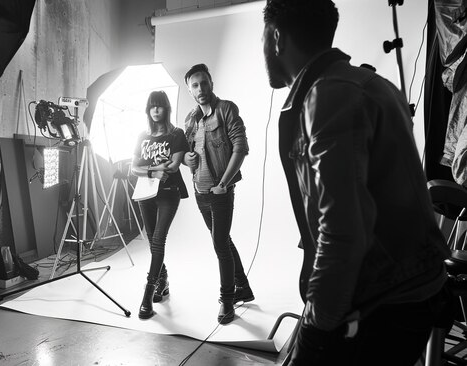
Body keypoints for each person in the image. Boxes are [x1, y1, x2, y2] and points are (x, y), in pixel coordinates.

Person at [261, 0, 452, 364]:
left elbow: (343, 231)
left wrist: (314, 333)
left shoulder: (328, 95)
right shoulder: (368, 83)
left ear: (275, 37)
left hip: (384, 304)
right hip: (404, 293)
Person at [182, 63, 254, 325]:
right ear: (190, 90)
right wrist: (187, 160)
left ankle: (227, 299)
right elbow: (188, 155)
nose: (201, 89)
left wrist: (224, 183)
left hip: (219, 190)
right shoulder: (191, 119)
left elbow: (240, 147)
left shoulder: (226, 110)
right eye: (195, 85)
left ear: (211, 83)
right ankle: (243, 287)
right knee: (221, 239)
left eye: (204, 82)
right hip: (200, 191)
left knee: (219, 244)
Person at [131, 90, 190, 319]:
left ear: (167, 108)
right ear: (148, 110)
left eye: (160, 106)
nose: (156, 110)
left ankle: (147, 293)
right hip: (145, 193)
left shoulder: (176, 134)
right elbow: (133, 169)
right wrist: (154, 170)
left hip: (168, 193)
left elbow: (174, 167)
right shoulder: (142, 136)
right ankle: (162, 280)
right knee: (151, 240)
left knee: (158, 239)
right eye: (152, 106)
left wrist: (153, 169)